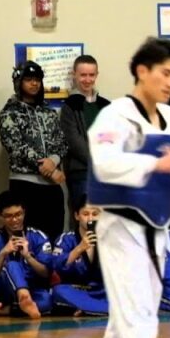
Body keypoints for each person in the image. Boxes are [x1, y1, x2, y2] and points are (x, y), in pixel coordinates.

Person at [86, 37, 170, 338]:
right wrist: (155, 165)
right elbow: (104, 164)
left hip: (157, 230)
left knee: (131, 319)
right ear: (142, 71)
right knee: (137, 321)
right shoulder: (115, 116)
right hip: (120, 229)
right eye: (165, 74)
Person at [0, 60, 68, 241]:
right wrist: (47, 169)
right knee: (27, 239)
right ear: (19, 82)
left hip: (51, 190)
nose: (34, 83)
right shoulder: (9, 113)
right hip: (24, 186)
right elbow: (15, 146)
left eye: (37, 79)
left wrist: (53, 161)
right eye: (29, 79)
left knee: (54, 237)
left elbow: (61, 142)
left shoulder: (49, 112)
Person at [0, 190, 54, 319]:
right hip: (4, 291)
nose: (15, 220)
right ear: (0, 217)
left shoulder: (38, 237)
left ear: (24, 212)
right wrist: (3, 253)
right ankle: (22, 299)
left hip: (32, 288)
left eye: (18, 214)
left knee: (47, 301)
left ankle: (7, 310)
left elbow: (45, 273)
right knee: (13, 265)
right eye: (8, 216)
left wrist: (28, 257)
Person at [59, 54, 110, 217]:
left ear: (96, 75)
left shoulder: (106, 105)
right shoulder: (69, 106)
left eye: (91, 75)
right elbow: (74, 142)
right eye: (83, 75)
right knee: (84, 219)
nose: (87, 79)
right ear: (75, 75)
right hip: (81, 173)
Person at [51, 199, 109, 316]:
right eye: (86, 214)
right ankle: (106, 310)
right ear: (77, 216)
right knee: (59, 291)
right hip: (77, 290)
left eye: (95, 214)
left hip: (102, 290)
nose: (90, 219)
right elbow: (56, 266)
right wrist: (80, 248)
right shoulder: (66, 238)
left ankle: (86, 309)